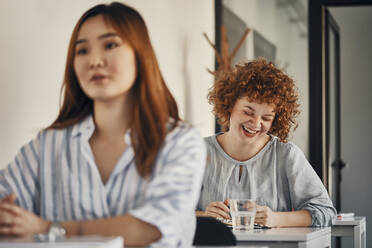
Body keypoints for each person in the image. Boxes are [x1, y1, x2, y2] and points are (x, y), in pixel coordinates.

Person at [0, 2, 206, 247]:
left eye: (110, 45)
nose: (94, 61)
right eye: (82, 51)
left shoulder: (180, 142)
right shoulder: (48, 144)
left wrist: (49, 229)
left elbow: (150, 229)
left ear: (140, 55)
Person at [196, 58, 336, 227]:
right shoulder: (198, 151)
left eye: (266, 118)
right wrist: (204, 215)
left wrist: (276, 219)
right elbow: (165, 211)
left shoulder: (286, 155)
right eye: (248, 112)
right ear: (229, 105)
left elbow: (325, 212)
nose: (255, 124)